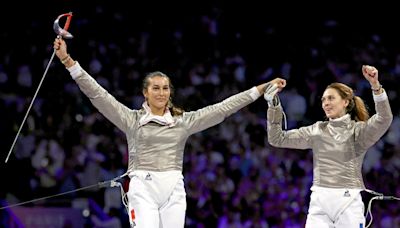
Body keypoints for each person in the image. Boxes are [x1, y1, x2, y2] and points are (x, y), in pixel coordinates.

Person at [53, 37, 286, 228]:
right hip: (143, 188)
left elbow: (222, 109)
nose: (161, 93)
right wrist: (67, 60)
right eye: (155, 88)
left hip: (173, 187)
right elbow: (98, 95)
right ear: (145, 92)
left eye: (165, 88)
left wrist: (261, 88)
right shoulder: (132, 120)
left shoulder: (182, 122)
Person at [265, 65, 392, 227]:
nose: (325, 103)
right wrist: (273, 105)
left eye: (331, 98)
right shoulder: (317, 130)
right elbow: (277, 139)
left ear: (346, 102)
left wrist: (376, 86)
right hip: (319, 203)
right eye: (323, 99)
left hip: (348, 203)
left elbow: (384, 118)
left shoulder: (359, 131)